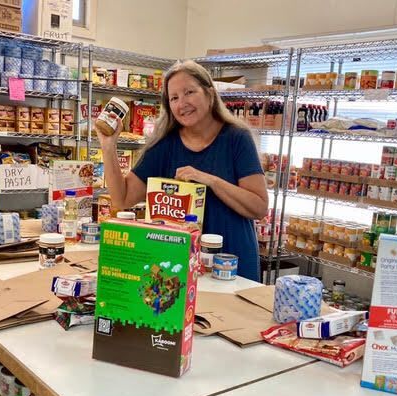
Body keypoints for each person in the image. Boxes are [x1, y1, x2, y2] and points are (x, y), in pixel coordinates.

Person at [96, 60, 268, 281]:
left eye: (189, 92)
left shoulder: (236, 138)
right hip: (177, 268)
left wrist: (210, 181)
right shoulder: (164, 145)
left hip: (231, 265)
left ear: (209, 94)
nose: (182, 103)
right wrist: (108, 146)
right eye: (174, 98)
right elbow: (122, 199)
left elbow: (259, 207)